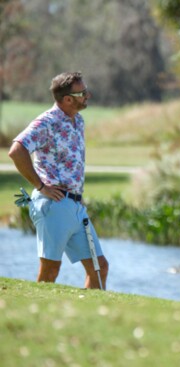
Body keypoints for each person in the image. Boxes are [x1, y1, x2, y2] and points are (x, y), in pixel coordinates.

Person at [8, 71, 108, 289]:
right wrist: (41, 186)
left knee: (99, 267)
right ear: (67, 99)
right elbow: (17, 150)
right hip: (53, 204)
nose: (88, 95)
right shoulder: (47, 122)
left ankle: (90, 316)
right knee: (51, 270)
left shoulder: (78, 121)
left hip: (75, 205)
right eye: (83, 93)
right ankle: (37, 317)